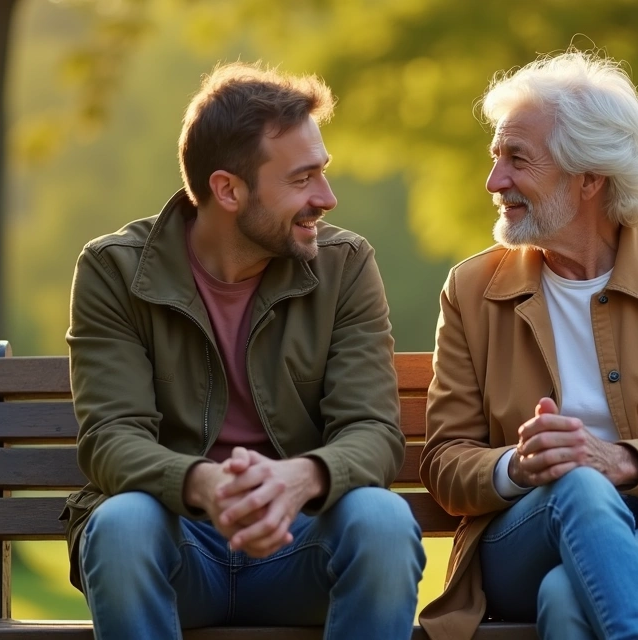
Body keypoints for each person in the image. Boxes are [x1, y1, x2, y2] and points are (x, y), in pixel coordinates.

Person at [418, 51, 638, 640]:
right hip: (528, 530)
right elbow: (445, 460)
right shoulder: (471, 290)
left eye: (517, 160)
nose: (494, 182)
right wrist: (520, 465)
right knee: (578, 485)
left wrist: (619, 460)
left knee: (568, 598)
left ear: (589, 177)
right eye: (495, 158)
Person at [62, 61, 425, 640]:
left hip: (301, 545)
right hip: (179, 547)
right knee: (122, 523)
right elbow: (111, 439)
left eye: (322, 173)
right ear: (228, 189)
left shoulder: (345, 265)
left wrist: (298, 480)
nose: (327, 198)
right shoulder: (114, 270)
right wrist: (207, 487)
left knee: (382, 518)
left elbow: (374, 431)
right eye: (302, 179)